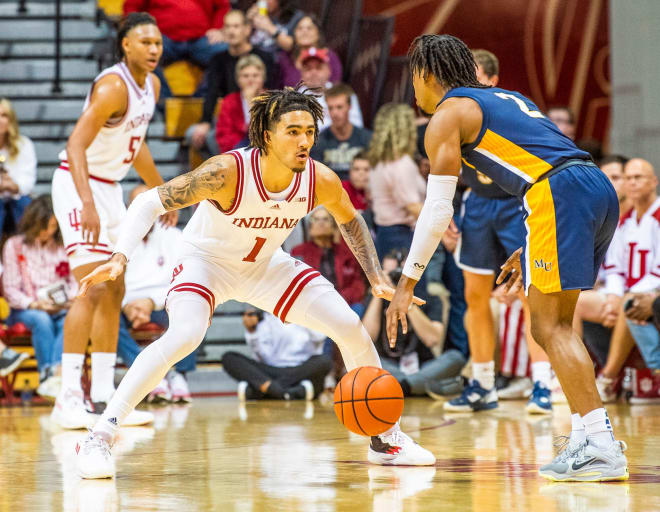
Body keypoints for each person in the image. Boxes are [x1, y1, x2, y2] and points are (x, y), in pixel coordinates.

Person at [75, 86, 435, 479]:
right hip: (205, 264)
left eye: (310, 132)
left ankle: (386, 439)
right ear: (266, 135)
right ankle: (99, 435)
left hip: (266, 267)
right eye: (293, 131)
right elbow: (149, 202)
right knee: (185, 335)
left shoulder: (319, 179)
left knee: (348, 325)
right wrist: (119, 257)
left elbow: (350, 219)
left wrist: (377, 278)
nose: (304, 141)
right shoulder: (226, 172)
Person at [388, 34, 626, 481]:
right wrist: (533, 240)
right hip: (591, 186)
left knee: (548, 326)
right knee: (557, 322)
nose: (413, 91)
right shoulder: (506, 98)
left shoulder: (448, 113)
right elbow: (548, 158)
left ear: (426, 74)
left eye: (413, 79)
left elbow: (438, 209)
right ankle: (583, 436)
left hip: (558, 194)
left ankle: (600, 444)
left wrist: (406, 283)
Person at [50, 13, 177, 430]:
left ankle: (105, 397)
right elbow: (75, 144)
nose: (154, 49)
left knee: (116, 286)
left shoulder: (152, 86)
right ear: (125, 45)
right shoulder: (112, 86)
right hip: (77, 182)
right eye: (145, 42)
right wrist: (86, 202)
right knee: (92, 286)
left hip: (109, 187)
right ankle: (68, 396)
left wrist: (162, 192)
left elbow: (134, 146)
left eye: (157, 42)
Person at [444, 49, 554, 415]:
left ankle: (542, 384)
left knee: (531, 297)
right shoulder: (458, 112)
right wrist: (445, 210)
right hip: (476, 203)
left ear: (491, 79)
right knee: (475, 298)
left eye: (472, 76)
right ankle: (483, 385)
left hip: (515, 203)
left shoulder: (505, 109)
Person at [114, 185, 195, 403]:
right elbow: (110, 280)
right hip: (127, 305)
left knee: (195, 308)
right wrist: (127, 305)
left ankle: (179, 375)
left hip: (162, 304)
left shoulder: (174, 235)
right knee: (107, 318)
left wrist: (151, 302)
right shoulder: (117, 236)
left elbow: (183, 279)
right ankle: (147, 377)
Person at [2, 196, 78, 398]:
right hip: (26, 310)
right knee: (41, 320)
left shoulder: (65, 244)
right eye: (43, 226)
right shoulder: (15, 245)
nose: (47, 231)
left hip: (61, 306)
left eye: (52, 226)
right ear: (32, 223)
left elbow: (75, 280)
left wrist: (68, 299)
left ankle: (56, 374)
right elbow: (10, 289)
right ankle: (48, 375)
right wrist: (35, 303)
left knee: (71, 319)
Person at [362, 249, 466, 396]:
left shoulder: (429, 298)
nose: (396, 279)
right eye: (392, 274)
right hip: (387, 365)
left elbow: (432, 339)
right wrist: (381, 292)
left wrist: (407, 301)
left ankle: (400, 386)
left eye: (401, 275)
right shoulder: (374, 299)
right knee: (365, 363)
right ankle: (416, 386)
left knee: (455, 358)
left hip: (422, 365)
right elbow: (368, 337)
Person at [188, 9, 275, 155]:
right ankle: (221, 172)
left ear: (247, 29)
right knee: (195, 134)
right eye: (227, 27)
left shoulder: (264, 57)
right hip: (229, 112)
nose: (231, 31)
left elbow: (272, 91)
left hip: (258, 113)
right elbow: (212, 92)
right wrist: (205, 121)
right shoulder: (218, 59)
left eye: (236, 26)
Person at [123, 0, 230, 99]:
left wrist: (217, 28)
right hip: (162, 37)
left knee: (227, 52)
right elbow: (131, 6)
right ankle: (163, 102)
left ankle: (202, 100)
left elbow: (223, 6)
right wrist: (138, 30)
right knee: (141, 53)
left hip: (201, 38)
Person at [222, 307, 331, 400]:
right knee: (229, 358)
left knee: (325, 361)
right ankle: (289, 393)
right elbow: (264, 356)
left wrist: (302, 316)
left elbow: (320, 337)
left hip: (299, 369)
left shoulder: (305, 314)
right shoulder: (264, 319)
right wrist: (252, 332)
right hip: (271, 369)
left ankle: (265, 390)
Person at [367, 103, 425, 258]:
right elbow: (413, 206)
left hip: (385, 234)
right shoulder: (401, 163)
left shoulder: (378, 160)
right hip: (401, 236)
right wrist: (445, 233)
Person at [291, 206, 365, 314]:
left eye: (326, 219)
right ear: (310, 229)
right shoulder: (299, 252)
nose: (321, 223)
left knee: (358, 308)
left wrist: (340, 298)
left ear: (333, 227)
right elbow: (296, 285)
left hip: (345, 303)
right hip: (314, 306)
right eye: (316, 219)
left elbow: (358, 284)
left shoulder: (346, 253)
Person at [310, 84, 372, 181]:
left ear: (349, 107)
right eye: (330, 108)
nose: (334, 113)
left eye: (339, 107)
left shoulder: (367, 139)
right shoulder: (318, 142)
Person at [299, 48, 363, 129]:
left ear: (328, 71)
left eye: (318, 68)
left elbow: (357, 127)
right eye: (308, 69)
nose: (313, 73)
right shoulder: (292, 99)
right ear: (301, 74)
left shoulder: (344, 93)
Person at [214, 54, 266, 153]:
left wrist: (252, 103)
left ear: (262, 78)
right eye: (245, 76)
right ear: (238, 80)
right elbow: (224, 135)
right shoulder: (229, 101)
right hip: (237, 148)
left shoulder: (271, 99)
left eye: (255, 75)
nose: (250, 80)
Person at [0, 98, 36, 235]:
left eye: (4, 115)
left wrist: (13, 185)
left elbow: (28, 182)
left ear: (11, 120)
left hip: (17, 196)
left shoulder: (24, 145)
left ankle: (27, 250)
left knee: (26, 205)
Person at [277, 14, 342, 88]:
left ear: (318, 33)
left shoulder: (330, 56)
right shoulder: (285, 57)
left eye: (309, 28)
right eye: (299, 28)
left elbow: (336, 86)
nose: (304, 32)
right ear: (294, 34)